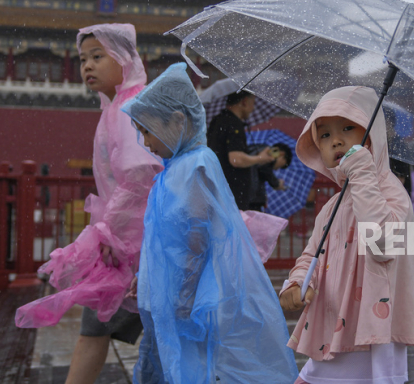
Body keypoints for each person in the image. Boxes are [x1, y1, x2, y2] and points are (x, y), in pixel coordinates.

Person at [122, 63, 298, 383]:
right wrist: (145, 273)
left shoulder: (196, 165)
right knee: (166, 358)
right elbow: (159, 239)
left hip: (185, 293)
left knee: (191, 361)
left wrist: (186, 292)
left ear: (177, 120)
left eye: (147, 130)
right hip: (167, 290)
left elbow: (198, 237)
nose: (144, 141)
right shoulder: (171, 170)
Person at [16, 24, 161, 384]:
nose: (88, 67)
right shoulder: (117, 107)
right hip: (132, 243)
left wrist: (112, 233)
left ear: (125, 60)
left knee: (108, 329)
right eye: (83, 59)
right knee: (113, 329)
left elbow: (140, 175)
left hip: (139, 244)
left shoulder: (131, 107)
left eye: (98, 57)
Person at [279, 86, 414, 384]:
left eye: (348, 128)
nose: (337, 140)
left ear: (373, 135)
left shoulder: (392, 194)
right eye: (325, 135)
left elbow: (382, 244)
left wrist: (363, 175)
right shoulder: (333, 204)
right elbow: (312, 252)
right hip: (333, 326)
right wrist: (298, 281)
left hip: (371, 331)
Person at [207, 90, 275, 209]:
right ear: (244, 102)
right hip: (232, 194)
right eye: (252, 103)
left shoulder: (217, 120)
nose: (253, 108)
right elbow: (236, 159)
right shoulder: (234, 124)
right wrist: (260, 158)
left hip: (216, 188)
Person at [249, 142, 292, 211]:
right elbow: (264, 169)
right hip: (252, 199)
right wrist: (277, 183)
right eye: (282, 165)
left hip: (244, 194)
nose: (278, 168)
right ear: (282, 154)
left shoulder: (255, 149)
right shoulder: (268, 153)